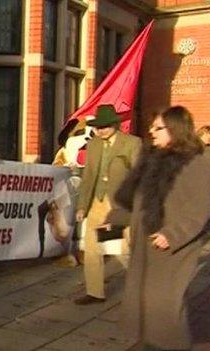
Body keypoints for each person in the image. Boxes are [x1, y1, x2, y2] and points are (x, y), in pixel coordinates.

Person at [105, 106, 210, 350]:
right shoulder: (153, 160)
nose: (151, 132)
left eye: (158, 128)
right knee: (148, 301)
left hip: (173, 247)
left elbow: (200, 209)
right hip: (147, 243)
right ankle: (152, 343)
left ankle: (172, 345)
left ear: (175, 130)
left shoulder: (197, 165)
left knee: (166, 302)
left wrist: (172, 235)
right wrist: (117, 217)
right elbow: (139, 202)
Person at [74, 104, 142, 305]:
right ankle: (94, 292)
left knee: (124, 248)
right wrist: (81, 206)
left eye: (103, 126)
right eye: (97, 127)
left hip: (119, 205)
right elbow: (88, 177)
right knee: (92, 246)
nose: (99, 130)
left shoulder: (132, 143)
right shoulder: (93, 144)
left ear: (114, 125)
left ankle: (142, 286)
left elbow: (138, 176)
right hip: (98, 201)